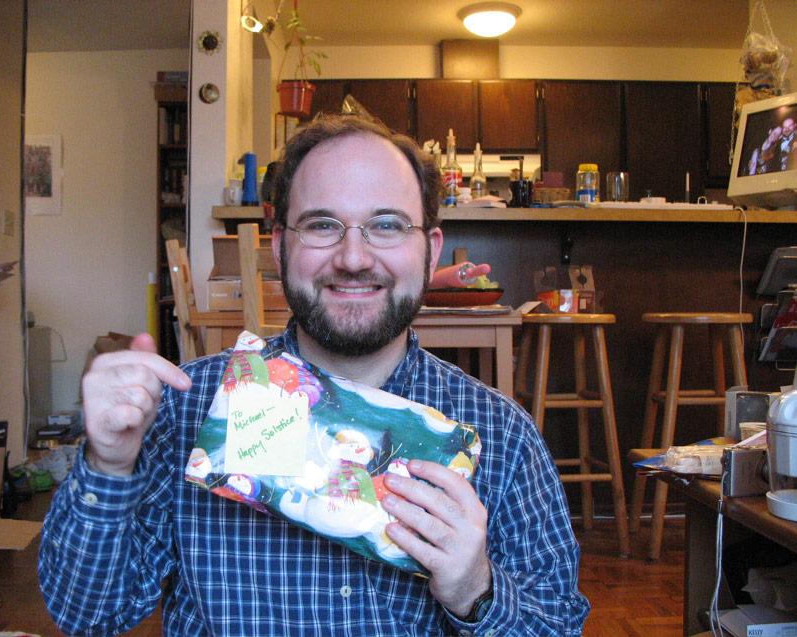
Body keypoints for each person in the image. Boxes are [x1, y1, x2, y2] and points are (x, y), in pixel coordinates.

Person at [39, 114, 589, 636]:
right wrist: (108, 466)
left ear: (430, 250)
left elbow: (560, 624)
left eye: (387, 225)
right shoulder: (186, 410)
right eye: (322, 224)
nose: (353, 257)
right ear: (279, 246)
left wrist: (477, 589)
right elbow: (87, 617)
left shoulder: (501, 436)